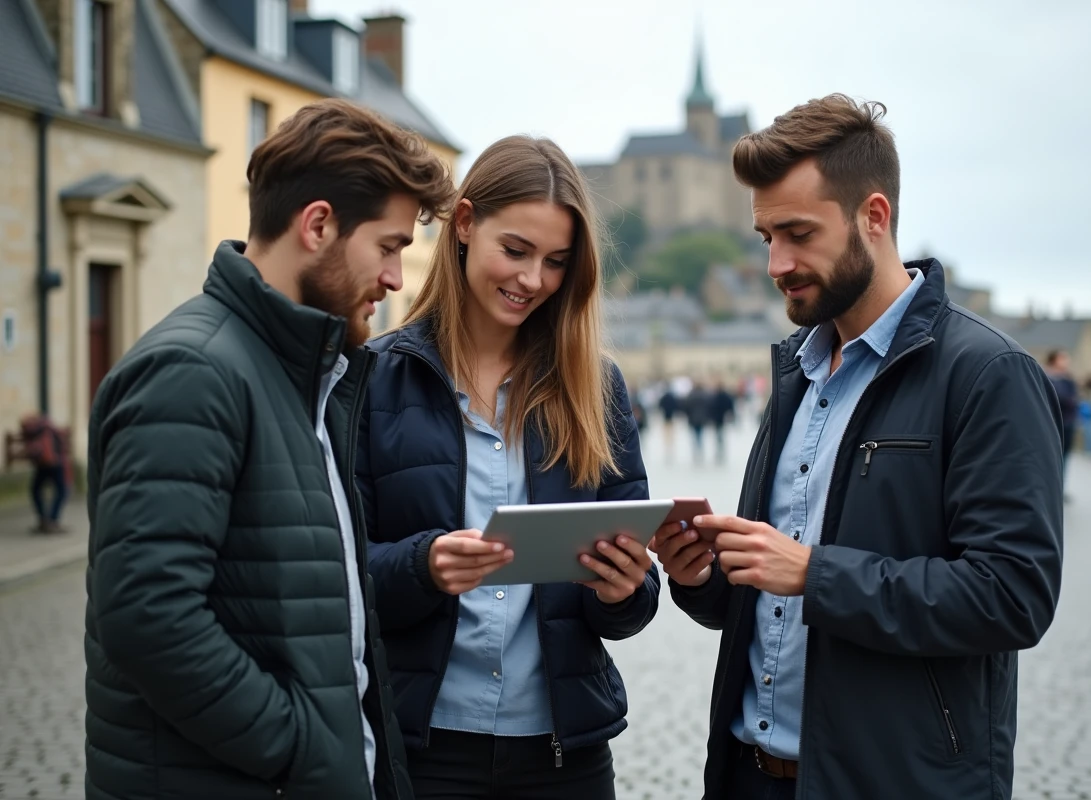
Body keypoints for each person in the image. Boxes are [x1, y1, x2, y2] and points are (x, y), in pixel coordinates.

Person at [648, 94, 1064, 800]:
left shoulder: (988, 373)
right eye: (764, 238)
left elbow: (1013, 596)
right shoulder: (798, 373)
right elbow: (768, 601)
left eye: (798, 233)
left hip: (894, 780)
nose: (776, 262)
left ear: (875, 218)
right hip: (750, 775)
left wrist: (814, 573)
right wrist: (703, 577)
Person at [84, 99, 455, 800]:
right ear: (317, 225)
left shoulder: (307, 374)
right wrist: (300, 747)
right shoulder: (195, 371)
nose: (396, 279)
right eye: (389, 246)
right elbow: (147, 616)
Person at [355, 135, 659, 800]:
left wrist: (624, 589)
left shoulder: (595, 386)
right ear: (464, 225)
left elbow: (631, 605)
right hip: (422, 750)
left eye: (555, 262)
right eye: (516, 251)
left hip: (563, 758)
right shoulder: (372, 381)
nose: (533, 280)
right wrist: (424, 565)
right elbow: (334, 576)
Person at [19, 412, 71, 532]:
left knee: (36, 491)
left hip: (41, 464)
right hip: (55, 462)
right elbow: (61, 443)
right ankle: (52, 519)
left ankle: (44, 519)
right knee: (62, 490)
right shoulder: (47, 426)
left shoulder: (30, 431)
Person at [1045, 350, 1079, 490]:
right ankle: (1050, 486)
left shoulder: (1068, 380)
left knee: (1065, 457)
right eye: (1062, 358)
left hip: (1068, 423)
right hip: (1051, 423)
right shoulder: (1047, 377)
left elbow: (1073, 400)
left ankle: (1060, 487)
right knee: (1051, 456)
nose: (1066, 361)